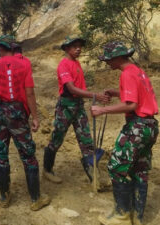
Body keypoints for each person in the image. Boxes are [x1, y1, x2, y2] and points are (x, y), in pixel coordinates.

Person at [92, 41, 159, 225]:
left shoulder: (127, 74)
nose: (107, 63)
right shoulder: (138, 71)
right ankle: (137, 216)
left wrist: (102, 110)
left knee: (116, 167)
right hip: (150, 126)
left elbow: (131, 105)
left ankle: (121, 215)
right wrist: (115, 93)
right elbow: (138, 96)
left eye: (108, 59)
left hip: (137, 126)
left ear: (117, 57)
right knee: (140, 170)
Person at [0, 35, 50, 211]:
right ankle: (35, 199)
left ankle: (4, 196)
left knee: (0, 155)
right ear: (13, 48)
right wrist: (35, 117)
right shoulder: (24, 65)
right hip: (18, 113)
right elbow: (30, 94)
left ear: (0, 49)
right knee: (28, 155)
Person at [42, 36, 110, 184]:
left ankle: (94, 177)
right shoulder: (63, 65)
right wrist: (95, 95)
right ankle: (47, 170)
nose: (78, 49)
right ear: (66, 48)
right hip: (66, 106)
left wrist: (92, 96)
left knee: (86, 140)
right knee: (57, 138)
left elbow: (79, 89)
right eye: (74, 47)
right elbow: (71, 88)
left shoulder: (76, 63)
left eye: (80, 46)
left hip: (78, 105)